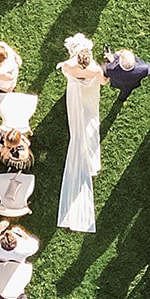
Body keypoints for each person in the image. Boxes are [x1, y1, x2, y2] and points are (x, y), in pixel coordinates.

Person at [57, 34, 105, 234]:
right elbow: (103, 82)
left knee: (80, 125)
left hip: (75, 96)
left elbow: (65, 71)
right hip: (89, 96)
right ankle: (92, 160)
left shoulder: (67, 67)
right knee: (91, 123)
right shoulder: (94, 69)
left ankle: (90, 160)